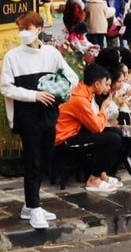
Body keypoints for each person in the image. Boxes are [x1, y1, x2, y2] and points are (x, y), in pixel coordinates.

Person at [2, 11, 80, 227]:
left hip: (49, 113)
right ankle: (34, 207)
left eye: (27, 28)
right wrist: (34, 95)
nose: (23, 33)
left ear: (39, 29)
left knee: (45, 158)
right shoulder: (13, 57)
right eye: (21, 29)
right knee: (32, 160)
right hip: (26, 115)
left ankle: (30, 205)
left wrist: (57, 89)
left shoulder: (51, 54)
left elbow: (72, 77)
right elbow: (6, 87)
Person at [54, 63, 128, 193]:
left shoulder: (83, 93)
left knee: (117, 132)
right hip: (66, 138)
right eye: (105, 84)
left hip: (75, 131)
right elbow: (97, 127)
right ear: (97, 84)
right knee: (112, 139)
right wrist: (104, 109)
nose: (107, 87)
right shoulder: (79, 100)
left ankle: (102, 174)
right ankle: (93, 179)